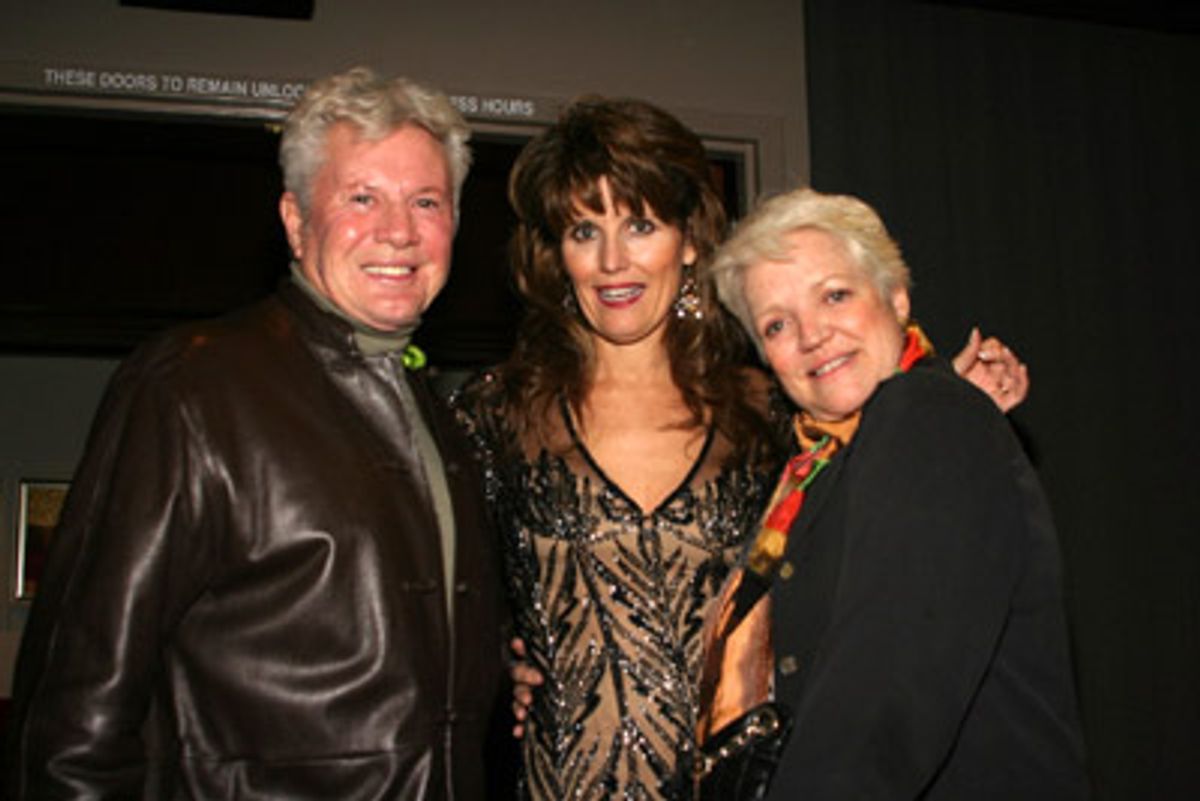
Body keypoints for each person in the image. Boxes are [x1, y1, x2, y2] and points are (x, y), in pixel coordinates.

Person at [451, 97, 1031, 801]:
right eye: (583, 229)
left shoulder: (768, 410)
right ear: (555, 251)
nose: (612, 261)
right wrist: (499, 663)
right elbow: (444, 597)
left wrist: (949, 395)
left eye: (640, 224)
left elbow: (876, 536)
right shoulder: (496, 414)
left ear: (689, 238)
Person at [3, 67, 505, 801]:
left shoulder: (441, 416)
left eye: (426, 201)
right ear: (296, 220)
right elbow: (74, 715)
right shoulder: (191, 388)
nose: (400, 231)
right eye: (362, 198)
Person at [702, 187, 1090, 799]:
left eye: (834, 295)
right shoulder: (818, 474)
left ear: (896, 296)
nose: (812, 335)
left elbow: (881, 703)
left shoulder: (926, 413)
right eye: (777, 324)